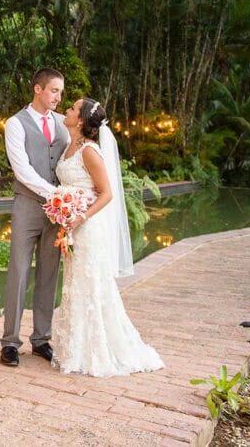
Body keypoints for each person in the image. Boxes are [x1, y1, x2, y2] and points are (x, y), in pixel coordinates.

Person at [50, 97, 164, 376]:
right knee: (75, 283)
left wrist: (80, 215)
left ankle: (96, 349)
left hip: (87, 228)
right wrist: (64, 211)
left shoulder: (89, 151)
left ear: (80, 120)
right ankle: (74, 347)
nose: (67, 109)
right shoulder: (69, 145)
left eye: (73, 108)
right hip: (71, 226)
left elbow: (107, 193)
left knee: (90, 284)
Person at [0, 68, 68, 367]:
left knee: (49, 274)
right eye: (54, 91)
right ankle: (10, 342)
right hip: (27, 206)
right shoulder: (15, 124)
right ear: (37, 89)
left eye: (61, 92)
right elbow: (22, 170)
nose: (58, 97)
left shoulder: (64, 124)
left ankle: (41, 339)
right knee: (18, 271)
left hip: (57, 212)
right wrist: (54, 193)